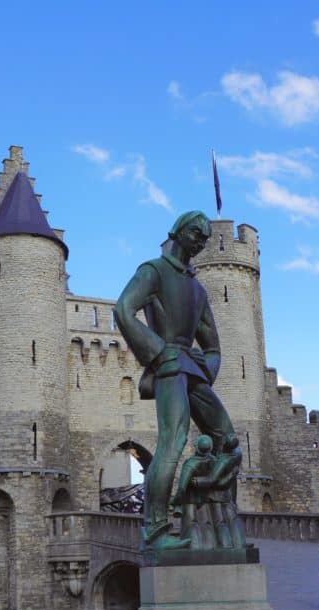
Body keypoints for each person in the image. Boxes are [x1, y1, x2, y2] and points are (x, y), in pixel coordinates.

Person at [114, 210, 240, 551]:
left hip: (191, 369)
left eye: (205, 237)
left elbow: (213, 345)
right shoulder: (153, 271)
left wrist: (206, 368)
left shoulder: (197, 290)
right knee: (173, 441)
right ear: (178, 231)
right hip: (170, 364)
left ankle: (215, 520)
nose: (200, 240)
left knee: (227, 439)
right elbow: (123, 310)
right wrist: (157, 354)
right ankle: (156, 531)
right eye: (196, 233)